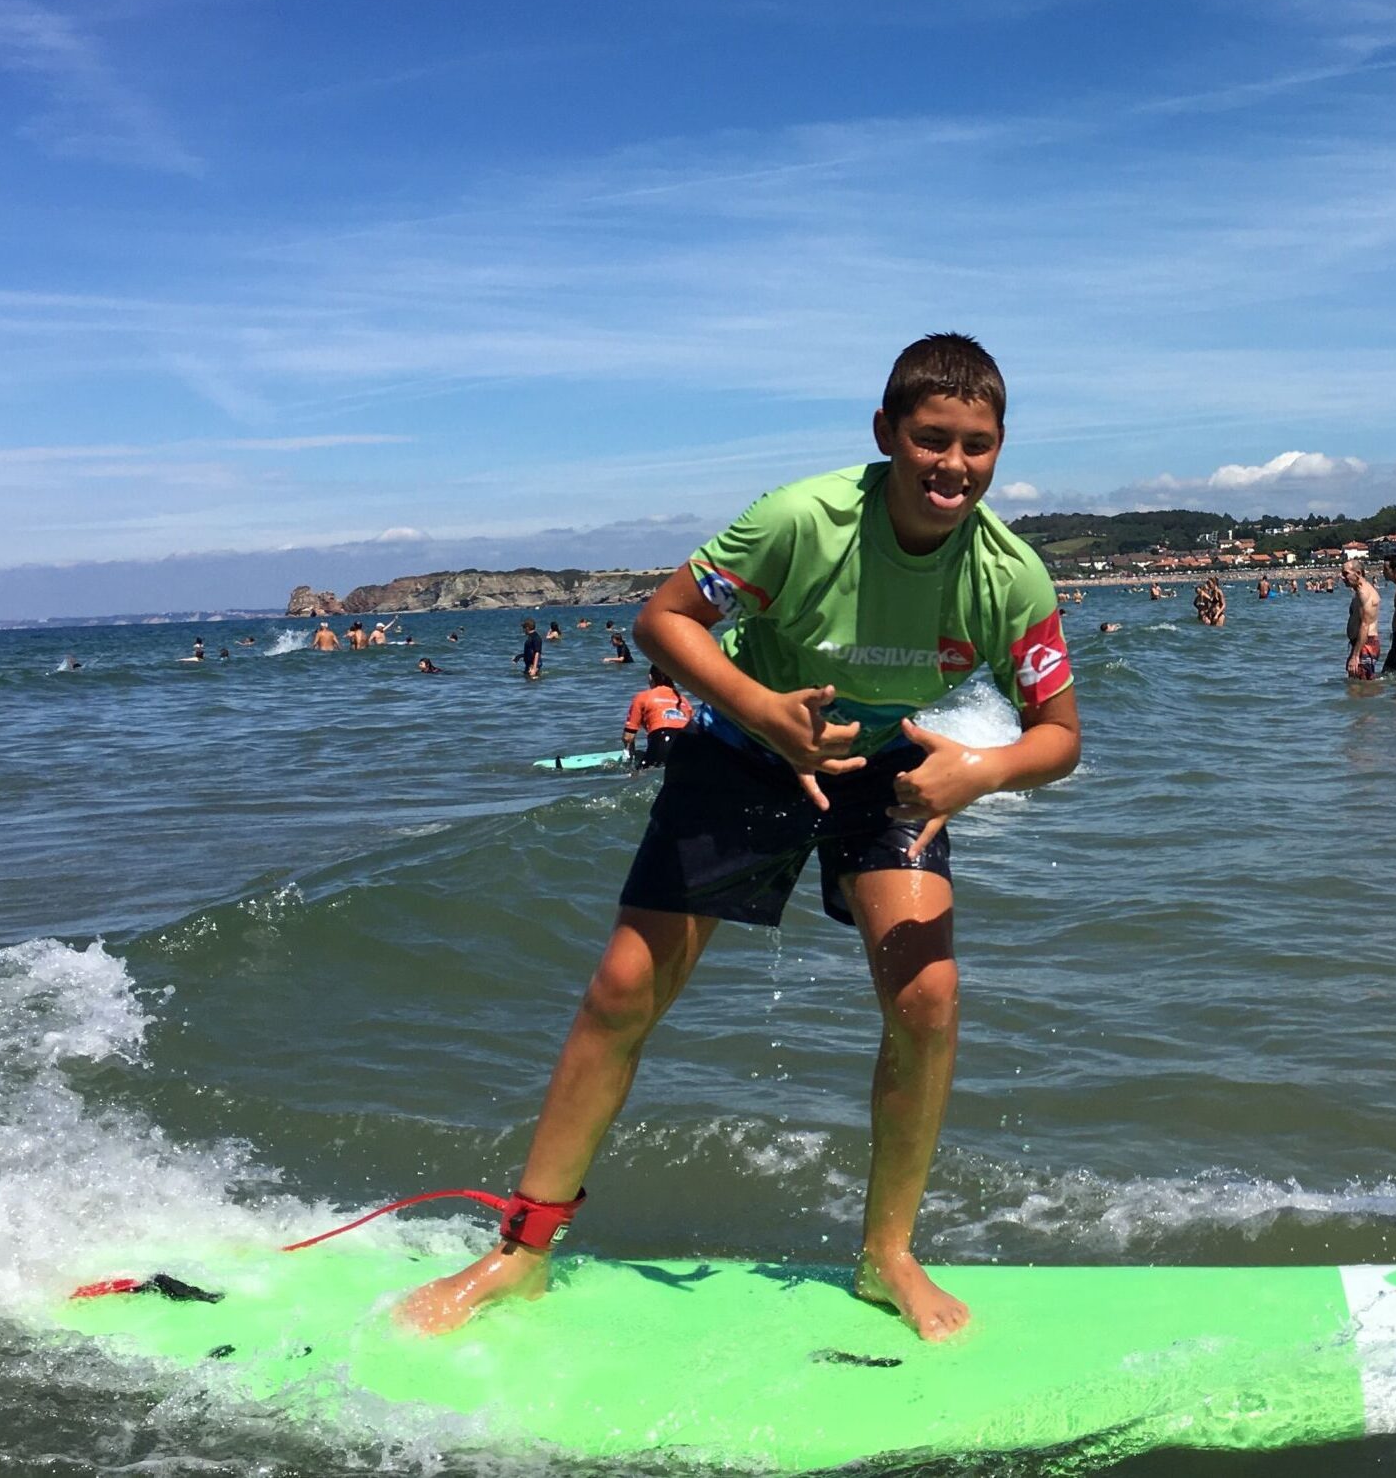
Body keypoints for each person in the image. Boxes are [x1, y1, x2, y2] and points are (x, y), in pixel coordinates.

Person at [396, 333, 1080, 1345]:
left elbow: (1059, 736)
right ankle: (521, 1252)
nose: (952, 465)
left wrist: (979, 770)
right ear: (886, 432)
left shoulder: (1010, 576)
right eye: (930, 439)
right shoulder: (800, 520)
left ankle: (887, 1255)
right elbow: (663, 620)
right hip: (745, 741)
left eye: (975, 445)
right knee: (623, 990)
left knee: (928, 1000)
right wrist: (763, 710)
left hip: (887, 762)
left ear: (1000, 447)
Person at [621, 663, 695, 768]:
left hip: (663, 741)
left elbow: (628, 737)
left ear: (650, 677)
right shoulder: (683, 700)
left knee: (640, 773)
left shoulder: (643, 697)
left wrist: (629, 757)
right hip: (690, 745)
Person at [1343, 562, 1382, 679]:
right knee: (1357, 684)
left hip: (1365, 644)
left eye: (1346, 574)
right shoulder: (1360, 591)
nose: (1343, 577)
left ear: (1358, 573)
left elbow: (1365, 624)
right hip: (1361, 644)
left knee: (1362, 686)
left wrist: (1355, 656)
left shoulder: (1364, 593)